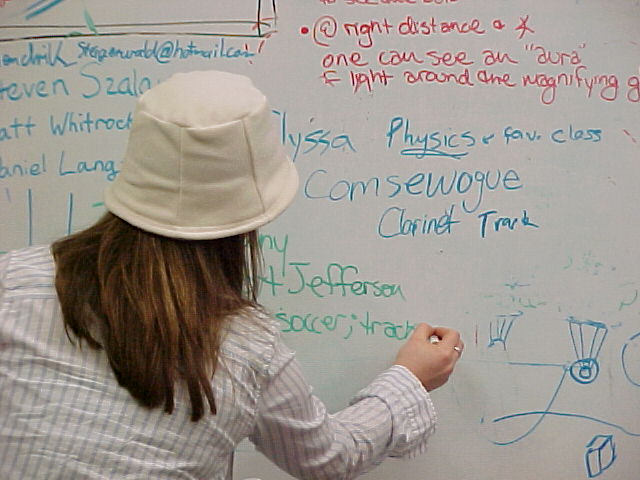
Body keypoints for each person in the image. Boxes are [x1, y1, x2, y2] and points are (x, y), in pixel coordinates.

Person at [0, 70, 463, 479]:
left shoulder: (14, 280)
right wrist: (410, 378)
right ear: (248, 217)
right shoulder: (249, 349)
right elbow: (330, 458)